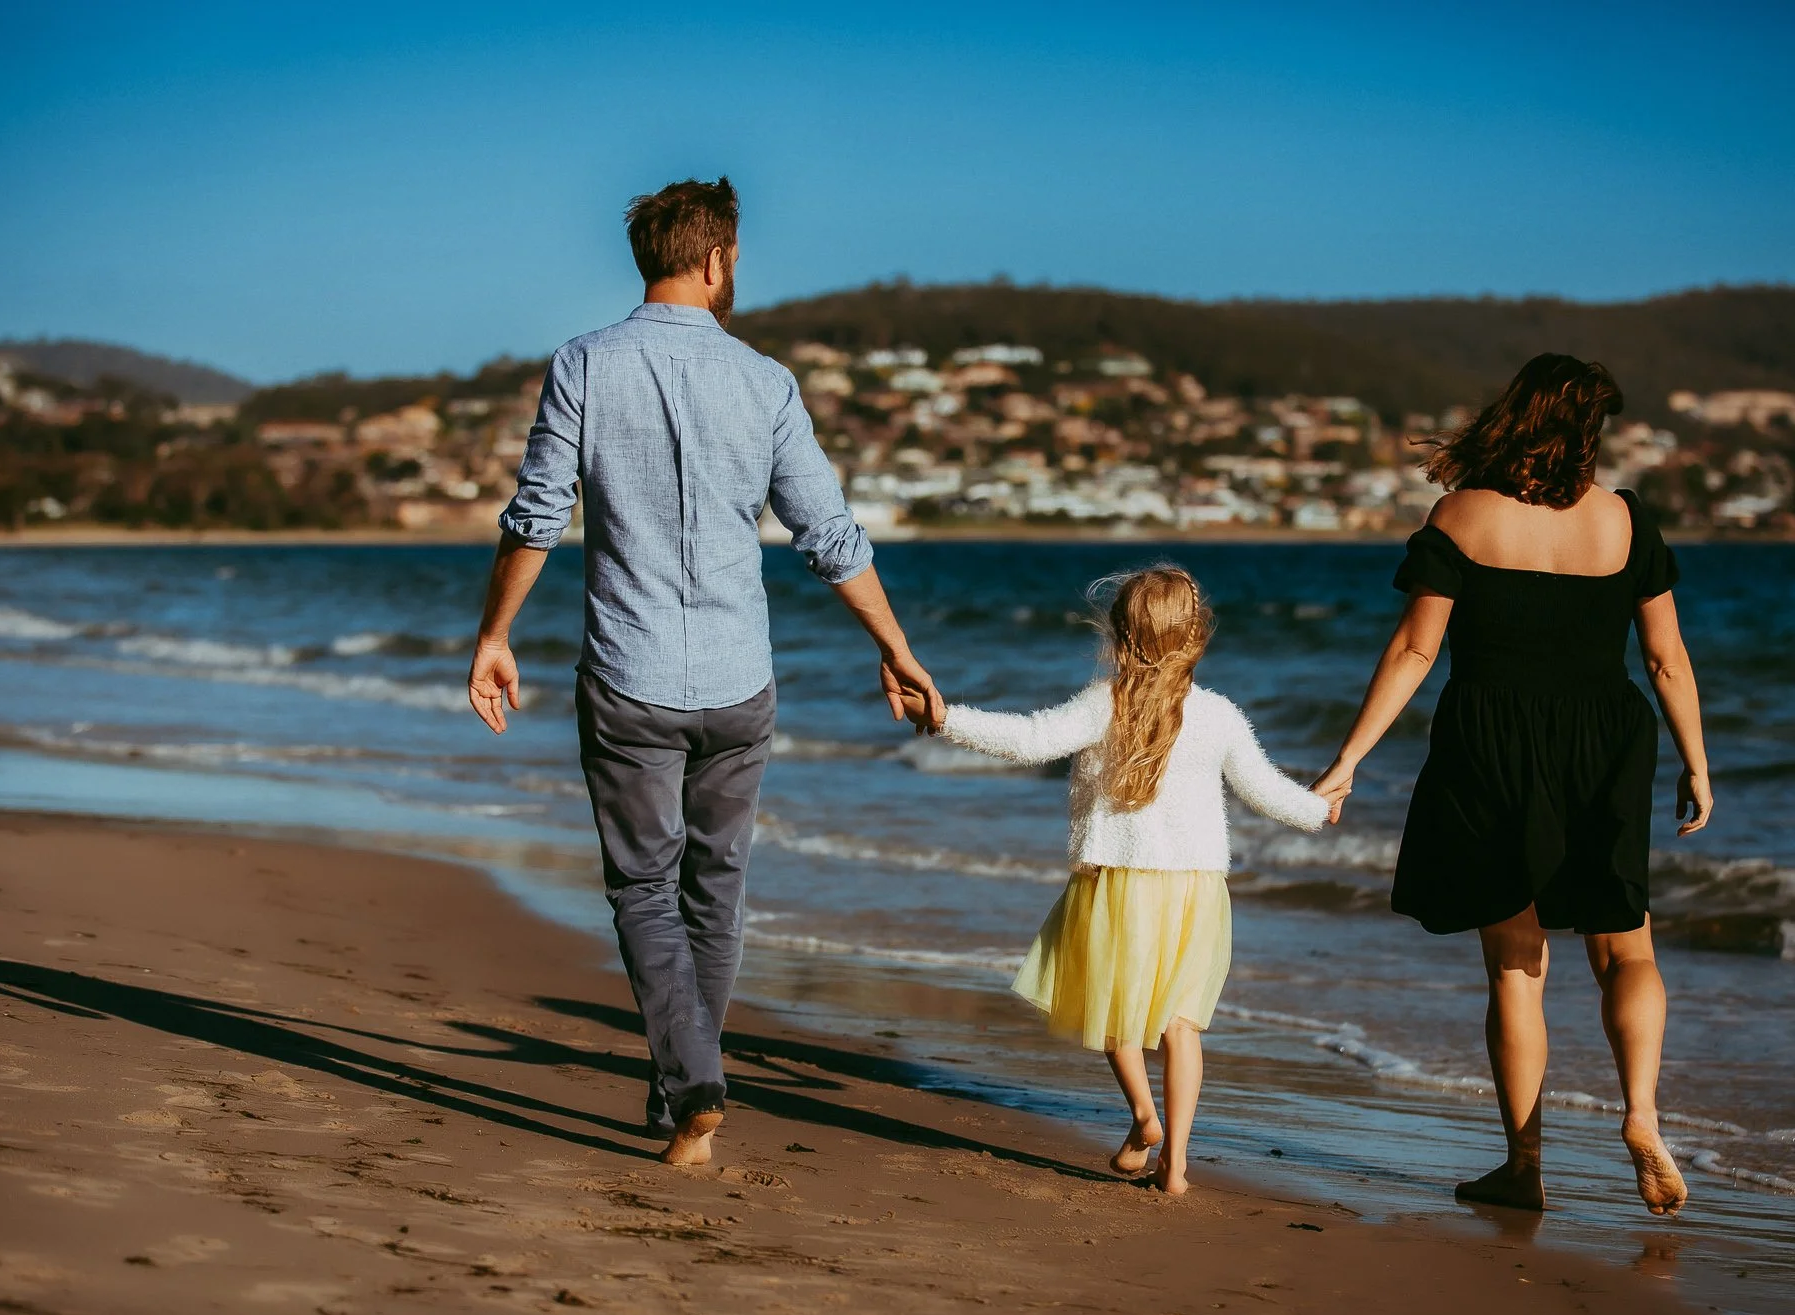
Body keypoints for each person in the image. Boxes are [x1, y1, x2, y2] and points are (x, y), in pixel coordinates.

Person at [466, 177, 945, 1168]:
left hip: (630, 674)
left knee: (644, 889)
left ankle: (690, 1084)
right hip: (738, 682)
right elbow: (830, 533)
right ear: (719, 258)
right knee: (712, 892)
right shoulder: (764, 381)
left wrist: (494, 636)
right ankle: (685, 1085)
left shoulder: (583, 365)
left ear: (649, 257)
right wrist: (893, 648)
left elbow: (536, 516)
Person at [1312, 353, 1710, 1216]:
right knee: (1627, 947)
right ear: (1588, 432)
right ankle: (1640, 1113)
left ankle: (1523, 1166)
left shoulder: (1462, 516)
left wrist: (1349, 757)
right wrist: (1697, 763)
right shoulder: (1625, 523)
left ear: (1515, 416)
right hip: (1606, 740)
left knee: (1515, 967)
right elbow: (1665, 660)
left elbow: (1415, 651)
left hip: (1491, 740)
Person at [923, 566, 1330, 1195]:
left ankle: (1145, 1118)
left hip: (1117, 881)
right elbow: (1268, 792)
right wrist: (1320, 809)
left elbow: (1028, 740)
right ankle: (1178, 1166)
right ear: (1197, 634)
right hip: (1196, 890)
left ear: (1119, 632)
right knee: (1181, 1027)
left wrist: (945, 717)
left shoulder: (1101, 703)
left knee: (1116, 1011)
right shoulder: (1220, 716)